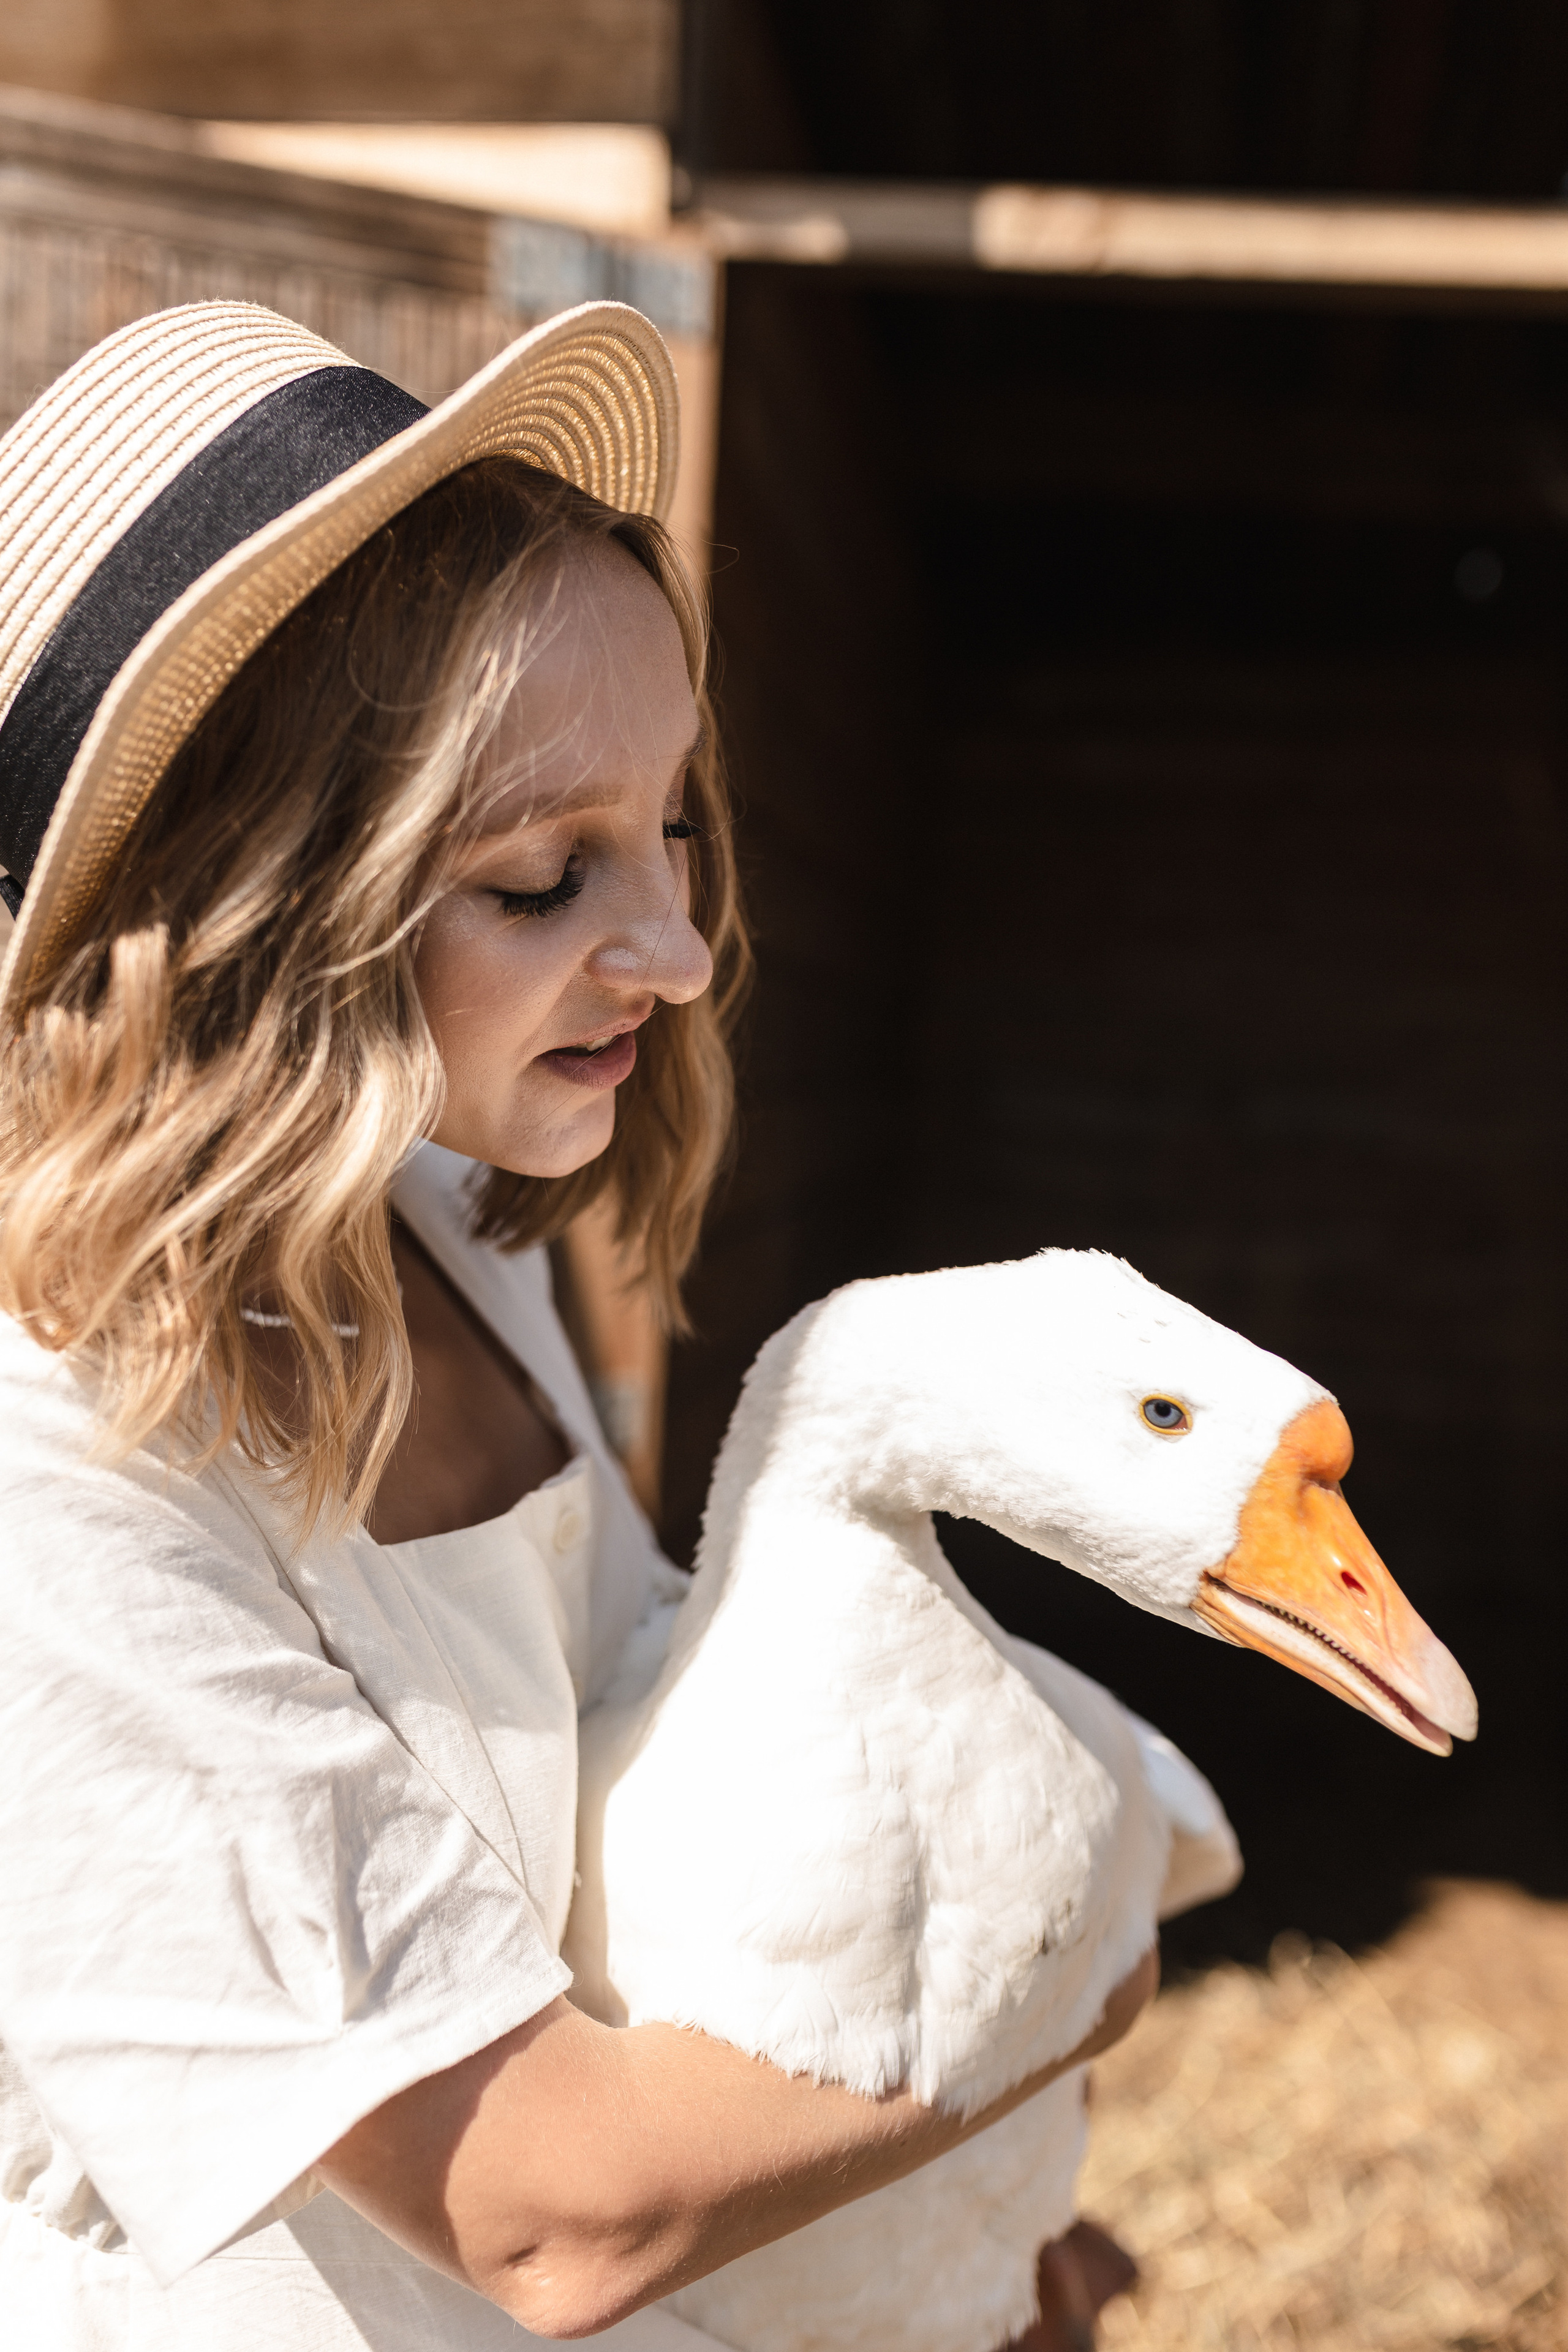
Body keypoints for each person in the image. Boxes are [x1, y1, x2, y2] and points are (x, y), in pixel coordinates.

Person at [0, 298, 1154, 2350]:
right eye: (547, 873)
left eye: (675, 824)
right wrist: (1056, 1977)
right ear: (260, 918)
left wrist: (960, 2247)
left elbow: (641, 1817)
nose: (684, 951)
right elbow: (555, 2210)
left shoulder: (443, 1230)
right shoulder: (58, 1490)